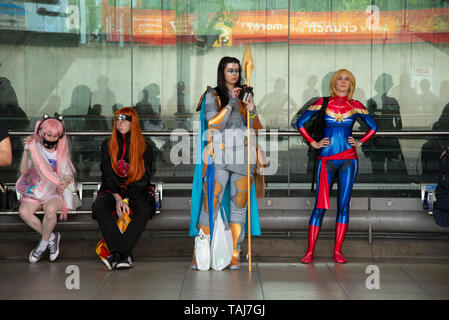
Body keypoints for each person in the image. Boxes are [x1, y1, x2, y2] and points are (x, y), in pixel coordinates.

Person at [295, 69, 377, 264]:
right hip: (325, 160)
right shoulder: (321, 102)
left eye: (346, 79)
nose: (342, 82)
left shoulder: (356, 106)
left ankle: (337, 252)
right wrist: (313, 143)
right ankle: (309, 252)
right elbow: (300, 123)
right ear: (334, 82)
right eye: (339, 79)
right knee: (319, 207)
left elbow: (373, 127)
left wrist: (360, 142)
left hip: (349, 159)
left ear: (351, 83)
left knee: (343, 206)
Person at [190, 56, 265, 270]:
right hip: (219, 156)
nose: (234, 74)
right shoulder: (212, 94)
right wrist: (232, 103)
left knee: (239, 207)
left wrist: (251, 109)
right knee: (210, 204)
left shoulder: (245, 94)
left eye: (237, 70)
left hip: (243, 156)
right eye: (230, 70)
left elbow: (256, 126)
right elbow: (214, 125)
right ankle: (201, 254)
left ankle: (234, 254)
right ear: (222, 72)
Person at [92, 107, 155, 271]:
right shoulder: (108, 145)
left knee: (145, 207)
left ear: (133, 123)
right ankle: (123, 255)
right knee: (99, 206)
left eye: (124, 120)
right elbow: (107, 174)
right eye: (117, 120)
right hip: (113, 190)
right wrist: (118, 197)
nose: (119, 124)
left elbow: (144, 177)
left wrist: (127, 198)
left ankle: (116, 254)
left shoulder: (145, 146)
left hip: (136, 190)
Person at [18, 114, 77, 263]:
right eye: (48, 135)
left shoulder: (61, 152)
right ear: (41, 132)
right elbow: (24, 171)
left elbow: (69, 174)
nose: (51, 138)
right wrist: (26, 151)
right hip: (36, 190)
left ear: (60, 136)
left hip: (54, 192)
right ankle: (51, 237)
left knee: (50, 210)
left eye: (55, 136)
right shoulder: (35, 149)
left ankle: (42, 245)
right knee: (24, 212)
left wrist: (65, 182)